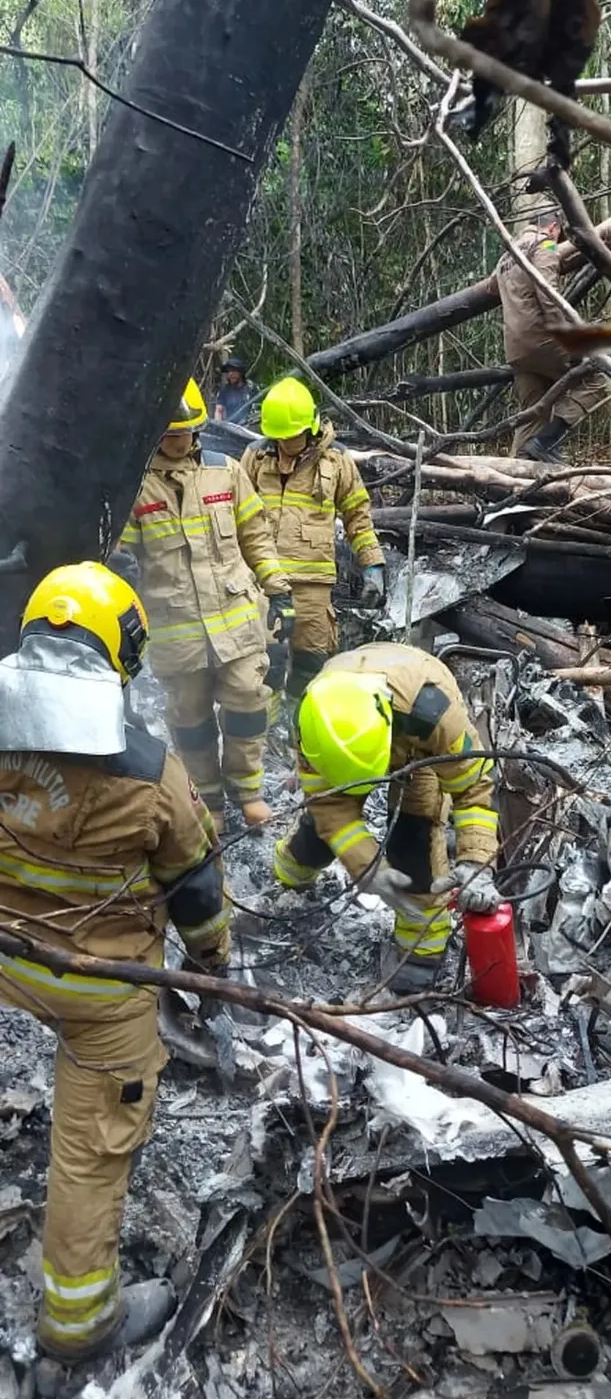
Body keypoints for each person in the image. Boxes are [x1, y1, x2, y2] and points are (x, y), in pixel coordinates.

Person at [0, 562, 231, 1361]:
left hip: (4, 954)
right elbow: (197, 894)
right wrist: (215, 978)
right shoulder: (147, 773)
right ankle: (76, 1322)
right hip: (102, 993)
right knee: (91, 1153)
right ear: (122, 652)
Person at [118, 380, 294, 833]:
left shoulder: (225, 471)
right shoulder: (134, 487)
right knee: (190, 719)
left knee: (248, 705)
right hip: (176, 629)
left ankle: (248, 790)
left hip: (236, 621)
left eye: (186, 432)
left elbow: (254, 534)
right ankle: (208, 798)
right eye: (170, 433)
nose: (179, 441)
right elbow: (124, 561)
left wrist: (278, 589)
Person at [273, 643, 498, 994]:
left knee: (414, 840)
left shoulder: (435, 715)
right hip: (352, 738)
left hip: (416, 745)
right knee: (321, 828)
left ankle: (420, 952)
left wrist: (476, 864)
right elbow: (331, 808)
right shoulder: (312, 721)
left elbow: (473, 791)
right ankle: (289, 875)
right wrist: (367, 867)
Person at [241, 377, 385, 704]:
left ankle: (299, 727)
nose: (282, 444)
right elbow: (237, 514)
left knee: (311, 666)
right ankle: (267, 731)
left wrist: (373, 565)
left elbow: (357, 516)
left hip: (313, 589)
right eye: (276, 437)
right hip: (262, 584)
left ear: (309, 428)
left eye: (288, 437)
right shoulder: (255, 457)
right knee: (265, 665)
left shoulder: (336, 461)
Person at [490, 208, 605, 461]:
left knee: (531, 414)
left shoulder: (507, 255)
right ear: (554, 227)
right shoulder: (546, 246)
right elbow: (548, 295)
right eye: (559, 233)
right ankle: (547, 442)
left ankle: (513, 486)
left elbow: (490, 287)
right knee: (594, 378)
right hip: (542, 341)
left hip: (516, 349)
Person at [214, 357, 255, 425]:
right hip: (232, 429)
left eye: (233, 371)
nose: (230, 374)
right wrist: (218, 426)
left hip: (249, 428)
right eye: (228, 371)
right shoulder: (224, 391)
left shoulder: (251, 389)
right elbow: (219, 410)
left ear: (241, 372)